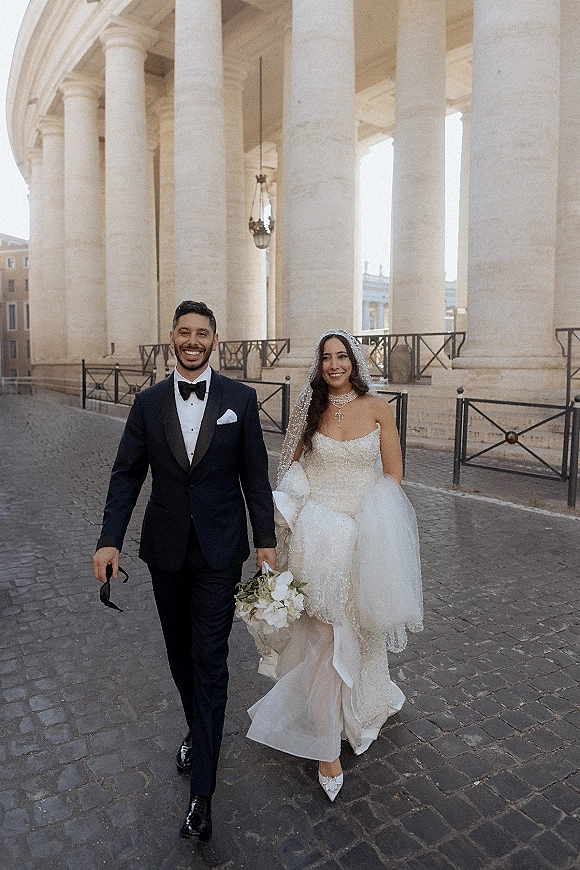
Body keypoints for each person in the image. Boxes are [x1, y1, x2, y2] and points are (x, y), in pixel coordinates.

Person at [93, 300, 276, 841]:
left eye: (202, 333)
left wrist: (265, 543)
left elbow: (255, 479)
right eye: (184, 332)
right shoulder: (148, 403)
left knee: (210, 660)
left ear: (215, 340)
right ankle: (199, 729)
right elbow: (126, 474)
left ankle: (203, 792)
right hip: (166, 553)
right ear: (172, 337)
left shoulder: (240, 400)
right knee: (179, 654)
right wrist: (109, 540)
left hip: (221, 554)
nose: (193, 341)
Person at [245, 330, 423, 801]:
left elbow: (393, 476)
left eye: (342, 356)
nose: (334, 364)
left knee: (359, 628)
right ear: (319, 364)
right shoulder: (308, 408)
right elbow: (289, 470)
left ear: (355, 361)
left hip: (365, 535)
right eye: (326, 357)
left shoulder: (380, 408)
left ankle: (358, 707)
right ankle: (327, 746)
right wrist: (287, 520)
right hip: (318, 537)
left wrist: (373, 526)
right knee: (323, 636)